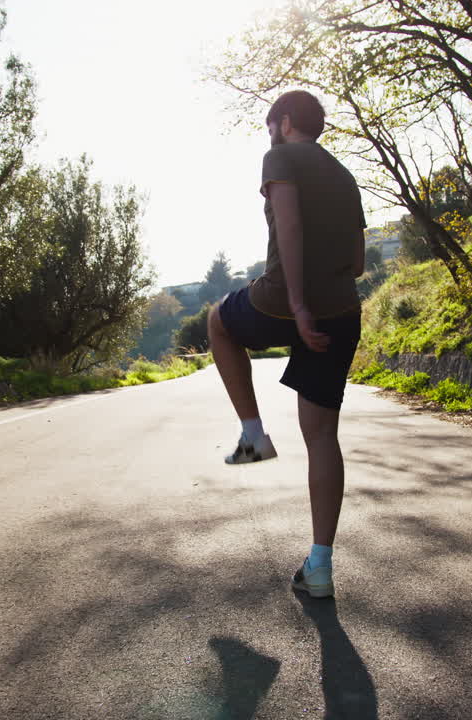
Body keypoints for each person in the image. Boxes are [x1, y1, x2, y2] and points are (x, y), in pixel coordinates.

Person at [208, 90, 366, 599]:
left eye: (269, 123)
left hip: (288, 298)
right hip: (343, 308)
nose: (267, 132)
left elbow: (291, 224)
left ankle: (253, 435)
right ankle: (320, 566)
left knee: (217, 322)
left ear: (287, 121)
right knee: (322, 437)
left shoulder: (280, 156)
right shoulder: (344, 175)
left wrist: (296, 303)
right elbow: (359, 261)